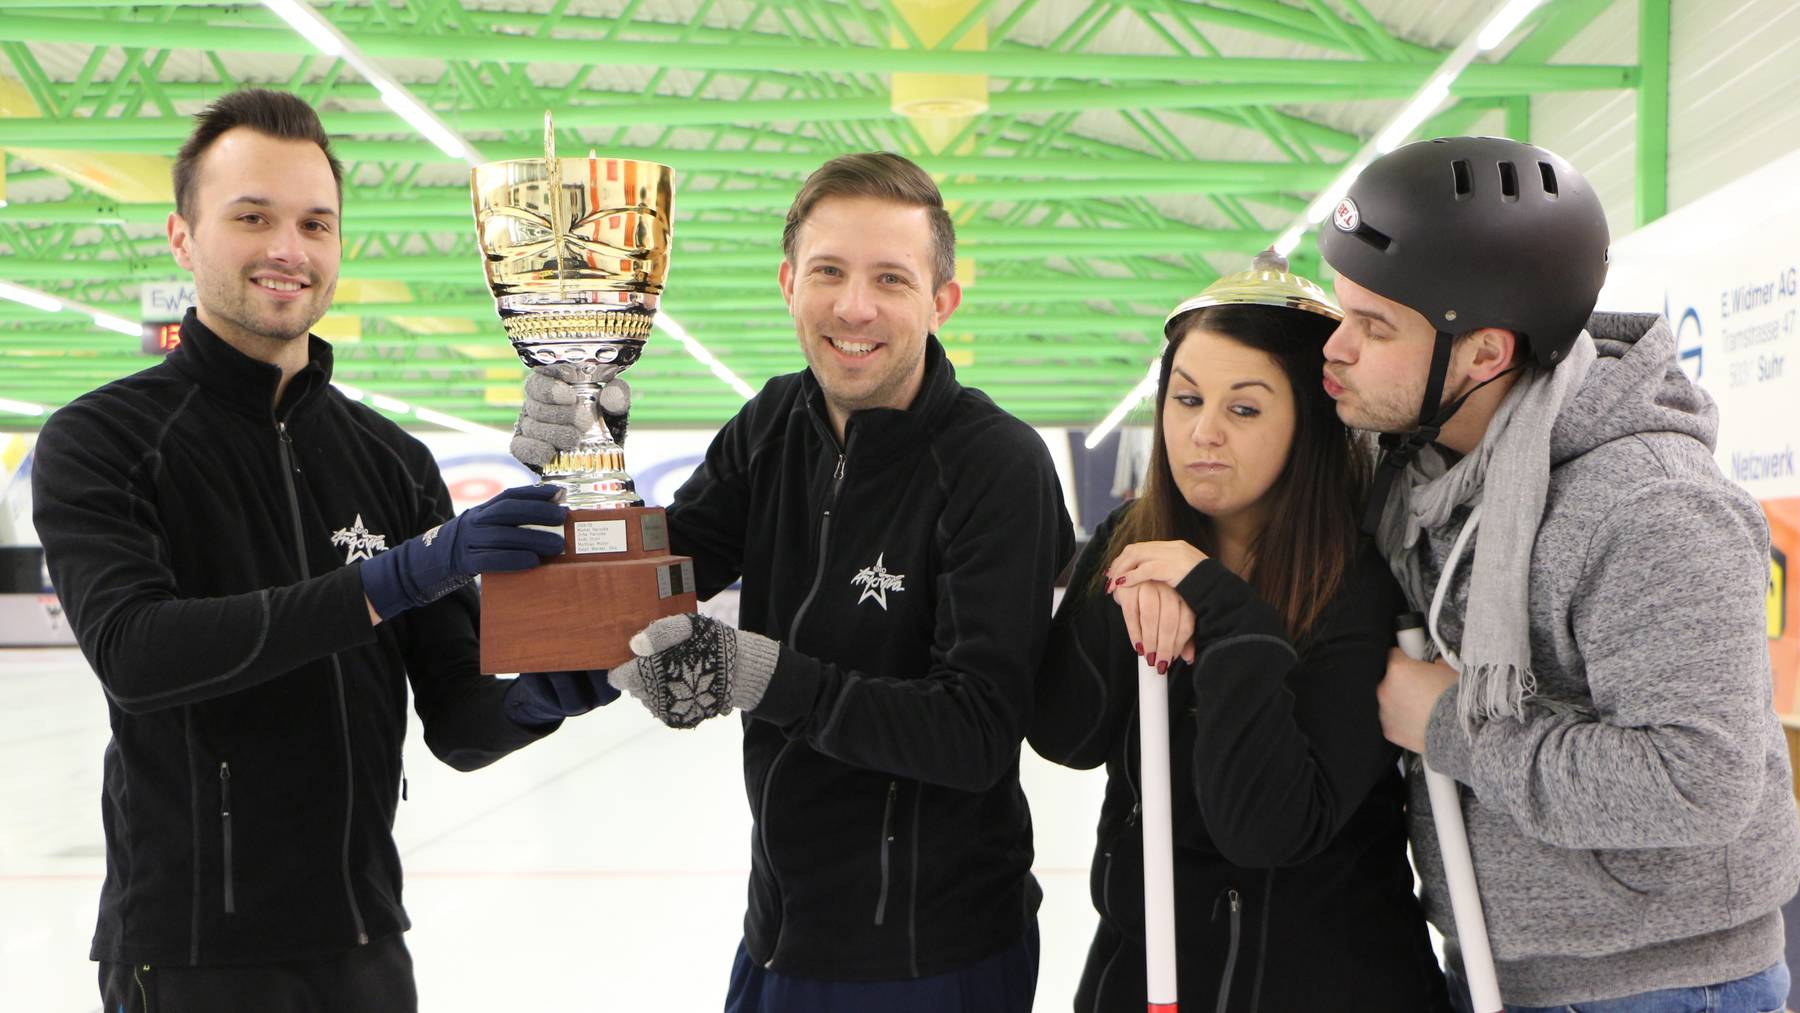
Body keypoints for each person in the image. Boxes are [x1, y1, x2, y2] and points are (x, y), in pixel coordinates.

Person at [30, 89, 616, 1013]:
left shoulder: (391, 458)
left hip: (363, 943)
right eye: (251, 217)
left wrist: (549, 691)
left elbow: (461, 720)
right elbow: (137, 655)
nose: (287, 249)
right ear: (182, 237)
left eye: (315, 222)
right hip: (193, 952)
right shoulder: (101, 438)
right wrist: (402, 573)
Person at [512, 151, 1074, 1012]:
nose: (855, 307)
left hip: (930, 955)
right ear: (787, 283)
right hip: (780, 933)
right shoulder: (774, 422)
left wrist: (754, 673)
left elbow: (976, 732)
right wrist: (589, 459)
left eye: (891, 277)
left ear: (941, 300)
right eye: (829, 272)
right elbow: (669, 570)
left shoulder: (996, 465)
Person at [1318, 135, 1800, 1012]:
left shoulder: (1647, 506)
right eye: (1341, 311)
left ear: (1485, 354)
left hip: (1661, 984)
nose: (1336, 348)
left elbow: (1698, 783)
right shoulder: (1422, 481)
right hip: (1503, 966)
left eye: (1373, 325)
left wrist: (1450, 724)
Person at [1025, 254, 1450, 1012]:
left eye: (1245, 409)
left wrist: (1224, 613)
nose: (1203, 433)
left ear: (1309, 421)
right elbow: (1065, 734)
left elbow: (1271, 826)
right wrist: (1118, 592)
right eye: (1186, 399)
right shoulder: (1133, 535)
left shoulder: (1353, 578)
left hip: (1323, 982)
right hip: (1146, 969)